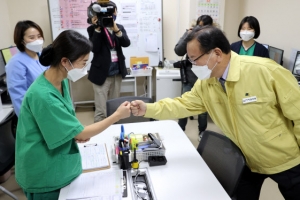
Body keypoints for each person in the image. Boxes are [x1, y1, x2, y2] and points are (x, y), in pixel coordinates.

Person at [131, 26, 300, 200]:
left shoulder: (265, 71)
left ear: (217, 54)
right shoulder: (207, 83)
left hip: (285, 160)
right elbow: (181, 105)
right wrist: (148, 108)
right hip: (246, 160)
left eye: (195, 60)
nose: (193, 66)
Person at [15, 30, 131, 199]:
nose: (85, 67)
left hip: (58, 163)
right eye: (83, 63)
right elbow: (81, 132)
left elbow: (66, 121)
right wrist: (117, 116)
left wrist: (70, 134)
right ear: (65, 61)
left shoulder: (59, 81)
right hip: (43, 172)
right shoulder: (43, 95)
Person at [87, 1, 130, 122]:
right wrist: (97, 29)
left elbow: (126, 43)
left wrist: (116, 30)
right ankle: (99, 133)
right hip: (101, 73)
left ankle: (113, 131)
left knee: (115, 106)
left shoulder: (119, 27)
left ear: (115, 12)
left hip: (117, 71)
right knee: (101, 109)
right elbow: (94, 48)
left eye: (112, 12)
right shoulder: (92, 29)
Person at [174, 15, 213, 140]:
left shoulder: (212, 37)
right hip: (190, 77)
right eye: (199, 26)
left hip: (205, 77)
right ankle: (180, 129)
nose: (200, 29)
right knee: (184, 104)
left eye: (203, 27)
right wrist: (188, 34)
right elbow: (179, 51)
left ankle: (202, 131)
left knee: (203, 108)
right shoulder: (191, 36)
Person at [5, 20, 48, 117]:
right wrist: (28, 118)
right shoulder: (16, 62)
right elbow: (18, 95)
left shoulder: (43, 56)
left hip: (48, 106)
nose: (37, 40)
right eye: (31, 37)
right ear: (21, 40)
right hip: (33, 112)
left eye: (39, 36)